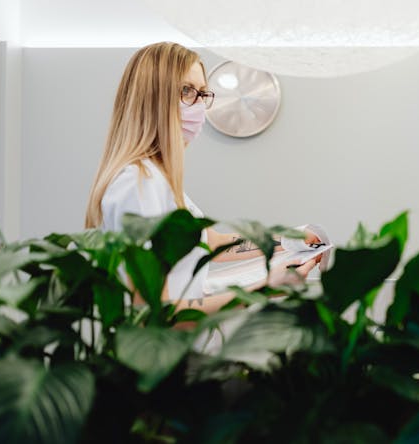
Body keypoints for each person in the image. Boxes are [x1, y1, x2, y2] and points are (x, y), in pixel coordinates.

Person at [84, 42, 317, 313]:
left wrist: (287, 240)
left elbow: (213, 243)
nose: (198, 105)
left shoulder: (161, 181)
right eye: (186, 91)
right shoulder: (139, 183)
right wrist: (265, 288)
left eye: (203, 93)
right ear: (152, 97)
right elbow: (153, 313)